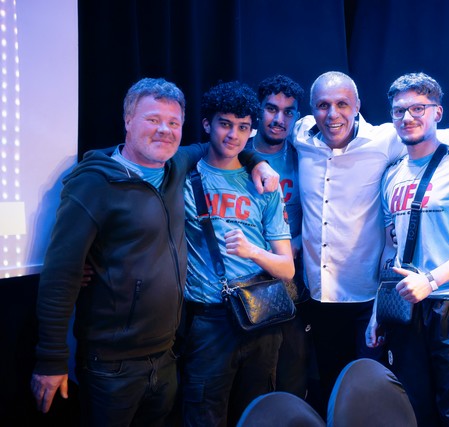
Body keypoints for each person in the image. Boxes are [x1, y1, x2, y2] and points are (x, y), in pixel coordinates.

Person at [30, 77, 278, 426]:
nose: (165, 130)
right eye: (153, 119)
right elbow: (61, 274)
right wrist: (51, 359)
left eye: (173, 123)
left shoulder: (177, 166)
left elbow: (222, 146)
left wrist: (257, 161)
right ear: (128, 120)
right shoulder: (94, 183)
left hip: (167, 356)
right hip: (111, 365)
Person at [366, 72, 449, 426]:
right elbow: (390, 248)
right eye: (399, 111)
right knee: (412, 412)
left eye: (418, 108)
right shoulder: (391, 175)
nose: (407, 117)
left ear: (437, 112)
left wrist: (432, 280)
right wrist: (378, 311)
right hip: (404, 308)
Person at [179, 80, 294, 427]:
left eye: (244, 127)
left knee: (258, 415)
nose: (234, 135)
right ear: (207, 124)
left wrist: (252, 251)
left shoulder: (264, 184)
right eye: (225, 124)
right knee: (203, 415)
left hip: (261, 315)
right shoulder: (184, 178)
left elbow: (287, 269)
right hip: (209, 320)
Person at [292, 71, 405, 414]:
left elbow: (439, 135)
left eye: (342, 104)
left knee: (370, 391)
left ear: (357, 106)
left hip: (366, 296)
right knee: (330, 387)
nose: (332, 114)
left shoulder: (384, 140)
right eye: (323, 105)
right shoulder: (302, 134)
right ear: (311, 109)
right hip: (319, 293)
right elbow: (252, 138)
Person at [245, 74, 313, 399]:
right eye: (272, 109)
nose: (279, 119)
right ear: (258, 110)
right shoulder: (238, 151)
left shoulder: (304, 156)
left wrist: (296, 245)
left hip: (291, 279)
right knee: (251, 379)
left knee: (292, 374)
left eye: (288, 111)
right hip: (246, 277)